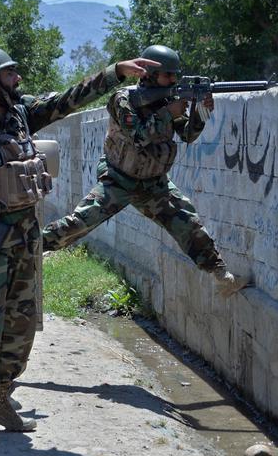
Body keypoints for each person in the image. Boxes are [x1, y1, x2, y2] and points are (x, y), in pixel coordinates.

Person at [0, 47, 158, 447]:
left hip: (23, 241)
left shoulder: (19, 115)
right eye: (9, 75)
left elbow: (67, 99)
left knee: (21, 328)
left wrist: (115, 73)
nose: (17, 80)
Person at [41, 45, 253, 298]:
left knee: (189, 223)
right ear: (149, 74)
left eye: (175, 75)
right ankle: (30, 246)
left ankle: (222, 277)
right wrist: (167, 112)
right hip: (118, 179)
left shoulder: (166, 100)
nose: (173, 80)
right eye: (168, 75)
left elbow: (187, 135)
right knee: (80, 222)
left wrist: (200, 112)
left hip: (153, 183)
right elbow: (139, 136)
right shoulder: (123, 99)